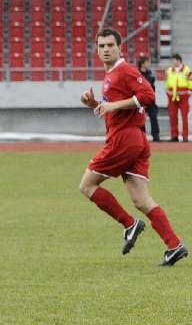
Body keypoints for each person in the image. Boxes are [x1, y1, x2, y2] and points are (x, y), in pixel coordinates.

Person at [79, 29, 187, 266]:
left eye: (110, 45)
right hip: (136, 139)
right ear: (97, 51)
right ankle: (174, 246)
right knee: (141, 200)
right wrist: (95, 104)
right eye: (101, 46)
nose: (106, 49)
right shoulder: (110, 75)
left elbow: (148, 95)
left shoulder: (124, 70)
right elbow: (113, 111)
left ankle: (130, 224)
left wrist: (112, 105)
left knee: (86, 185)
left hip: (124, 140)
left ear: (120, 48)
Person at [164, 53, 190, 142]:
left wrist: (189, 92)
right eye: (172, 61)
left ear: (179, 60)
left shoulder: (186, 70)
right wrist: (167, 92)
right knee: (173, 117)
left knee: (184, 117)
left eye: (174, 60)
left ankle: (185, 136)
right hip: (172, 97)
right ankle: (174, 136)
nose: (173, 62)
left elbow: (190, 81)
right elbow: (166, 82)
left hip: (183, 97)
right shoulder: (169, 70)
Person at [137, 56, 160, 142]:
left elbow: (151, 84)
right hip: (141, 101)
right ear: (142, 64)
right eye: (147, 62)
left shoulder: (150, 73)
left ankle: (156, 136)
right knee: (140, 119)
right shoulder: (137, 74)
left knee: (154, 117)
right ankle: (142, 137)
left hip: (150, 100)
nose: (149, 64)